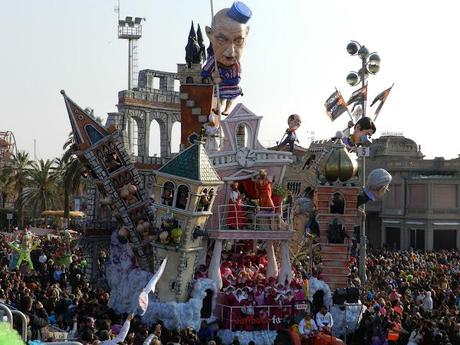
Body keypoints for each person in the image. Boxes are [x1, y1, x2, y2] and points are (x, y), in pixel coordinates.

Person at [202, 1, 252, 115]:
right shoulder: (213, 62)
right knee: (220, 94)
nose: (231, 52)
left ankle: (227, 108)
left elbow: (236, 78)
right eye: (222, 40)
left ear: (246, 34)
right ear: (210, 34)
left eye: (238, 41)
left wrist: (222, 80)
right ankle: (219, 107)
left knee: (230, 95)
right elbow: (206, 72)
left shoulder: (235, 66)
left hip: (230, 85)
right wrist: (211, 78)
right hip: (220, 86)